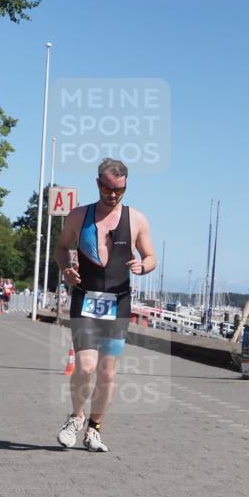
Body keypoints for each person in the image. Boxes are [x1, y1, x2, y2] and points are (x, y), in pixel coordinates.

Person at [53, 158, 156, 452]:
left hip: (118, 303)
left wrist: (143, 266)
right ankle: (75, 418)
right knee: (85, 366)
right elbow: (61, 247)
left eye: (120, 190)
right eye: (108, 188)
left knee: (108, 373)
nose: (113, 195)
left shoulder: (136, 219)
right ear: (98, 183)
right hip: (85, 298)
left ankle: (94, 429)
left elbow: (151, 257)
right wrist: (66, 270)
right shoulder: (78, 216)